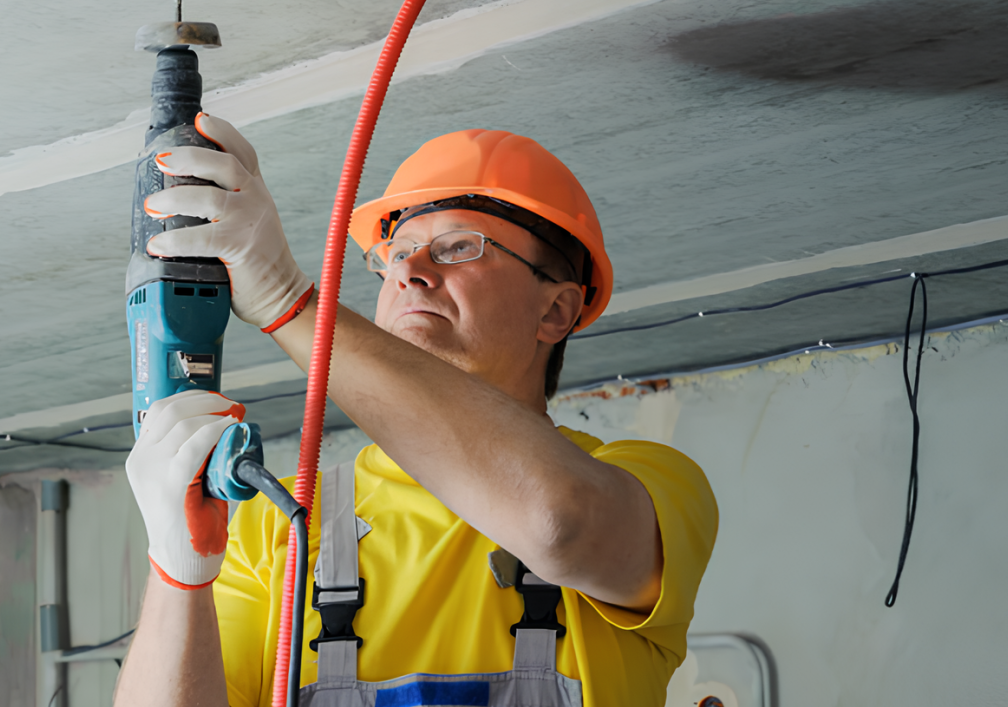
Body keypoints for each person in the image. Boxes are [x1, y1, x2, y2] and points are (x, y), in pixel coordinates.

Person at [114, 114, 719, 707]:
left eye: (458, 248)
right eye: (393, 254)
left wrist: (286, 300)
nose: (408, 270)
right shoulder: (280, 523)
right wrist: (177, 574)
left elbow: (554, 524)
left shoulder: (651, 485)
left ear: (555, 311)